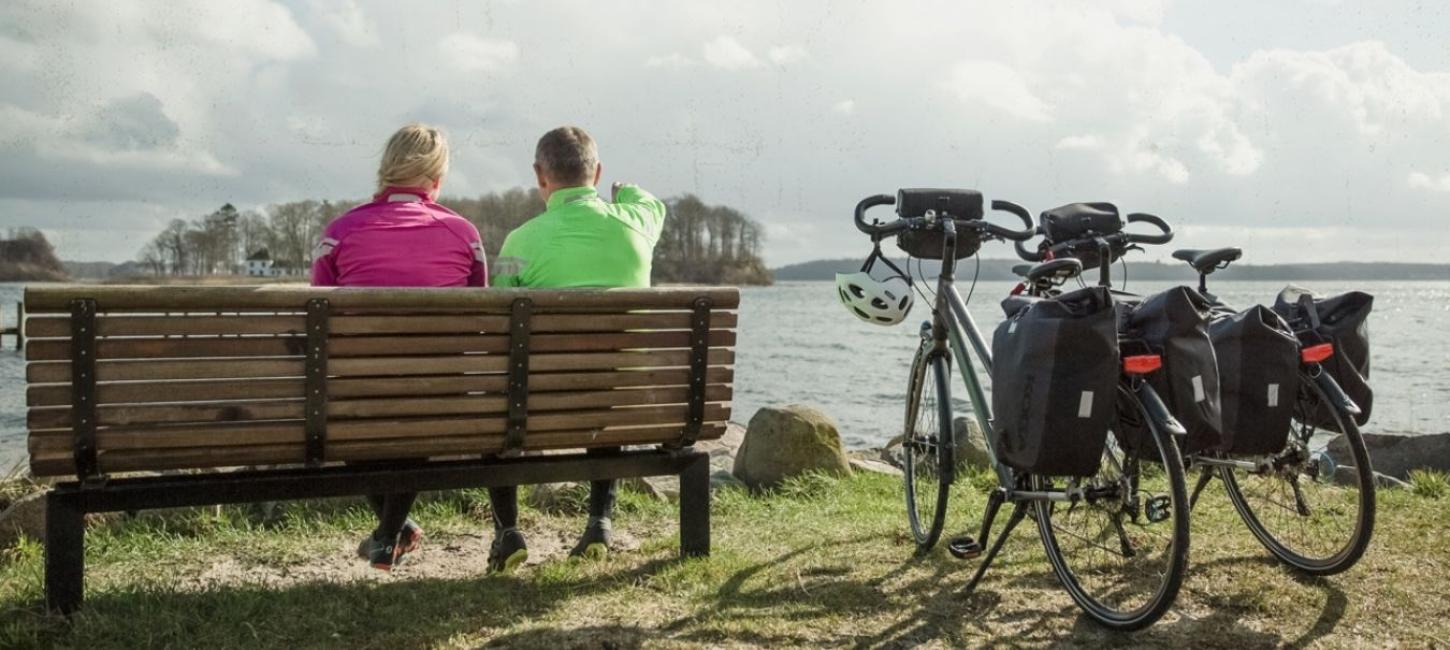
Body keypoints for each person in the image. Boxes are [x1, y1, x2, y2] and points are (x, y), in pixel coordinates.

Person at [487, 125, 667, 573]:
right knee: (606, 387)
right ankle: (600, 522)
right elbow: (651, 204)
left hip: (540, 402)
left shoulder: (518, 242)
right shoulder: (636, 225)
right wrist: (624, 191)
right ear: (597, 171)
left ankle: (509, 532)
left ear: (539, 176)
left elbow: (500, 311)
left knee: (501, 397)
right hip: (623, 403)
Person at [311, 123, 488, 571]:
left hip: (357, 392)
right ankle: (393, 532)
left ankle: (392, 532)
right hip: (438, 392)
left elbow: (320, 315)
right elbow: (478, 314)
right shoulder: (462, 233)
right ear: (437, 177)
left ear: (385, 170)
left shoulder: (340, 232)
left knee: (356, 410)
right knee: (418, 403)